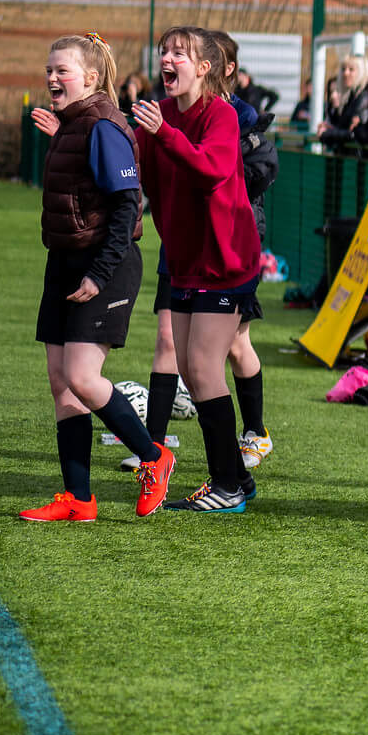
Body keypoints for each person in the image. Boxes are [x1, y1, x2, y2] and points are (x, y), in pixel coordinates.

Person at [18, 34, 177, 521]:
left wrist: (98, 274)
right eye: (48, 70)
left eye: (61, 71)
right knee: (61, 384)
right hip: (63, 262)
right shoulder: (74, 123)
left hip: (104, 264)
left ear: (89, 77)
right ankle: (79, 498)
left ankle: (155, 458)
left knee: (84, 378)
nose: (51, 79)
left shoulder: (106, 125)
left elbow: (128, 204)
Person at [131, 26, 264, 513]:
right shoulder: (160, 114)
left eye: (178, 53)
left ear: (204, 68)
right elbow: (139, 171)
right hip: (185, 259)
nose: (167, 59)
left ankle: (226, 486)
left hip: (226, 260)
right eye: (164, 51)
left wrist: (163, 135)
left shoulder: (222, 116)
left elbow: (211, 169)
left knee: (206, 367)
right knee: (189, 365)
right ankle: (237, 479)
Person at [207, 31, 277, 470]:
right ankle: (154, 442)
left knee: (234, 341)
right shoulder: (183, 115)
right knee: (175, 340)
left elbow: (261, 171)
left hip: (237, 239)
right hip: (195, 244)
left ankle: (255, 432)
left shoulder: (245, 123)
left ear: (226, 69)